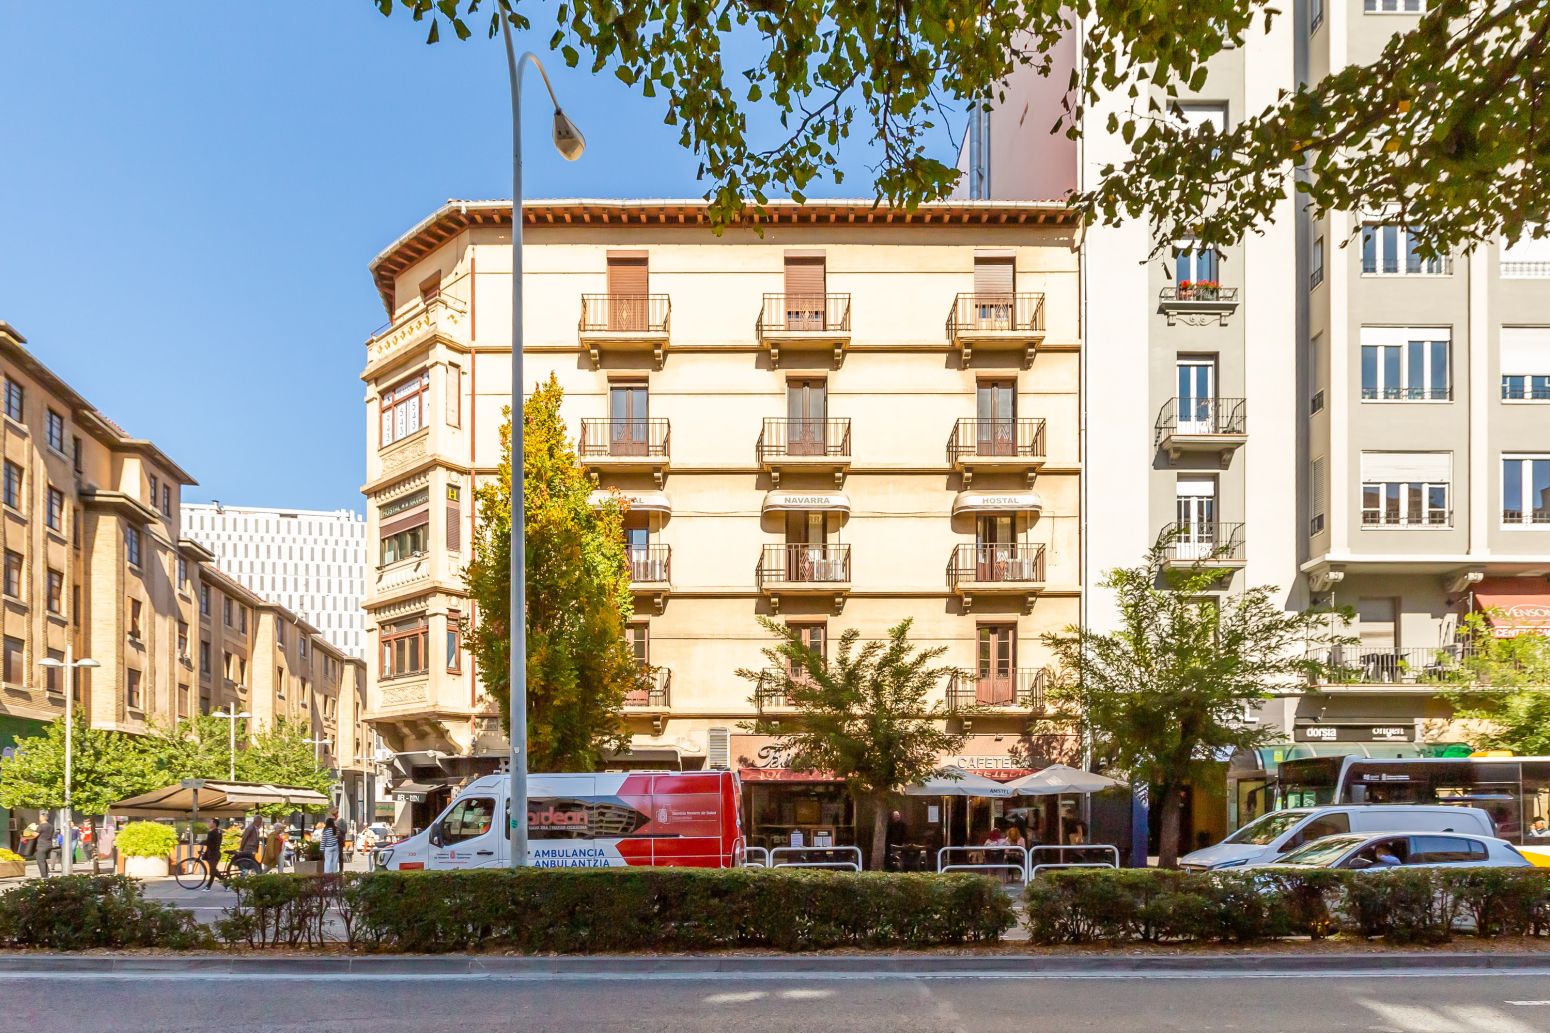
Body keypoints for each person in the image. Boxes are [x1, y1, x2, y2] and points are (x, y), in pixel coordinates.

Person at [200, 819, 224, 890]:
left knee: (213, 871)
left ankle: (208, 886)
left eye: (210, 822)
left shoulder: (212, 832)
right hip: (216, 853)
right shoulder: (219, 832)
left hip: (212, 854)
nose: (209, 823)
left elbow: (209, 842)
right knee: (213, 870)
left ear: (214, 824)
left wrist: (202, 842)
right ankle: (226, 884)